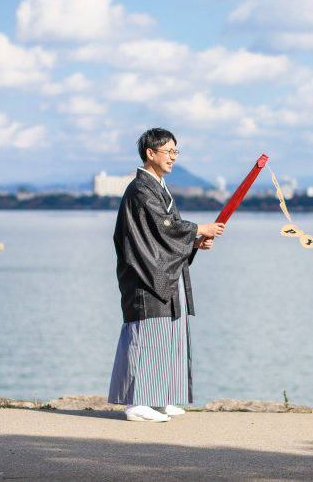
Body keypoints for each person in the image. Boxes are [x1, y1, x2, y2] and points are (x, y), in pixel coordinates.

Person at [108, 128, 225, 422]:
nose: (173, 157)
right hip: (143, 272)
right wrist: (199, 229)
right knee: (144, 335)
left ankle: (158, 397)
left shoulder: (157, 187)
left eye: (176, 152)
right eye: (168, 151)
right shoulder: (140, 189)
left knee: (166, 335)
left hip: (160, 270)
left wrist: (194, 242)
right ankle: (135, 402)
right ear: (151, 153)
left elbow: (168, 233)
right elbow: (162, 228)